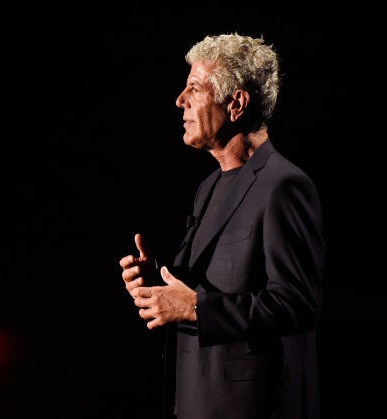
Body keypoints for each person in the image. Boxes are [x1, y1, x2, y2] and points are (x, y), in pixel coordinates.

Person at [119, 33, 325, 419]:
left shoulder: (284, 186)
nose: (181, 101)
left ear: (236, 103)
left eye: (194, 89)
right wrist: (157, 287)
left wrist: (197, 309)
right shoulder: (208, 188)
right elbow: (199, 292)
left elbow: (297, 304)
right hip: (195, 402)